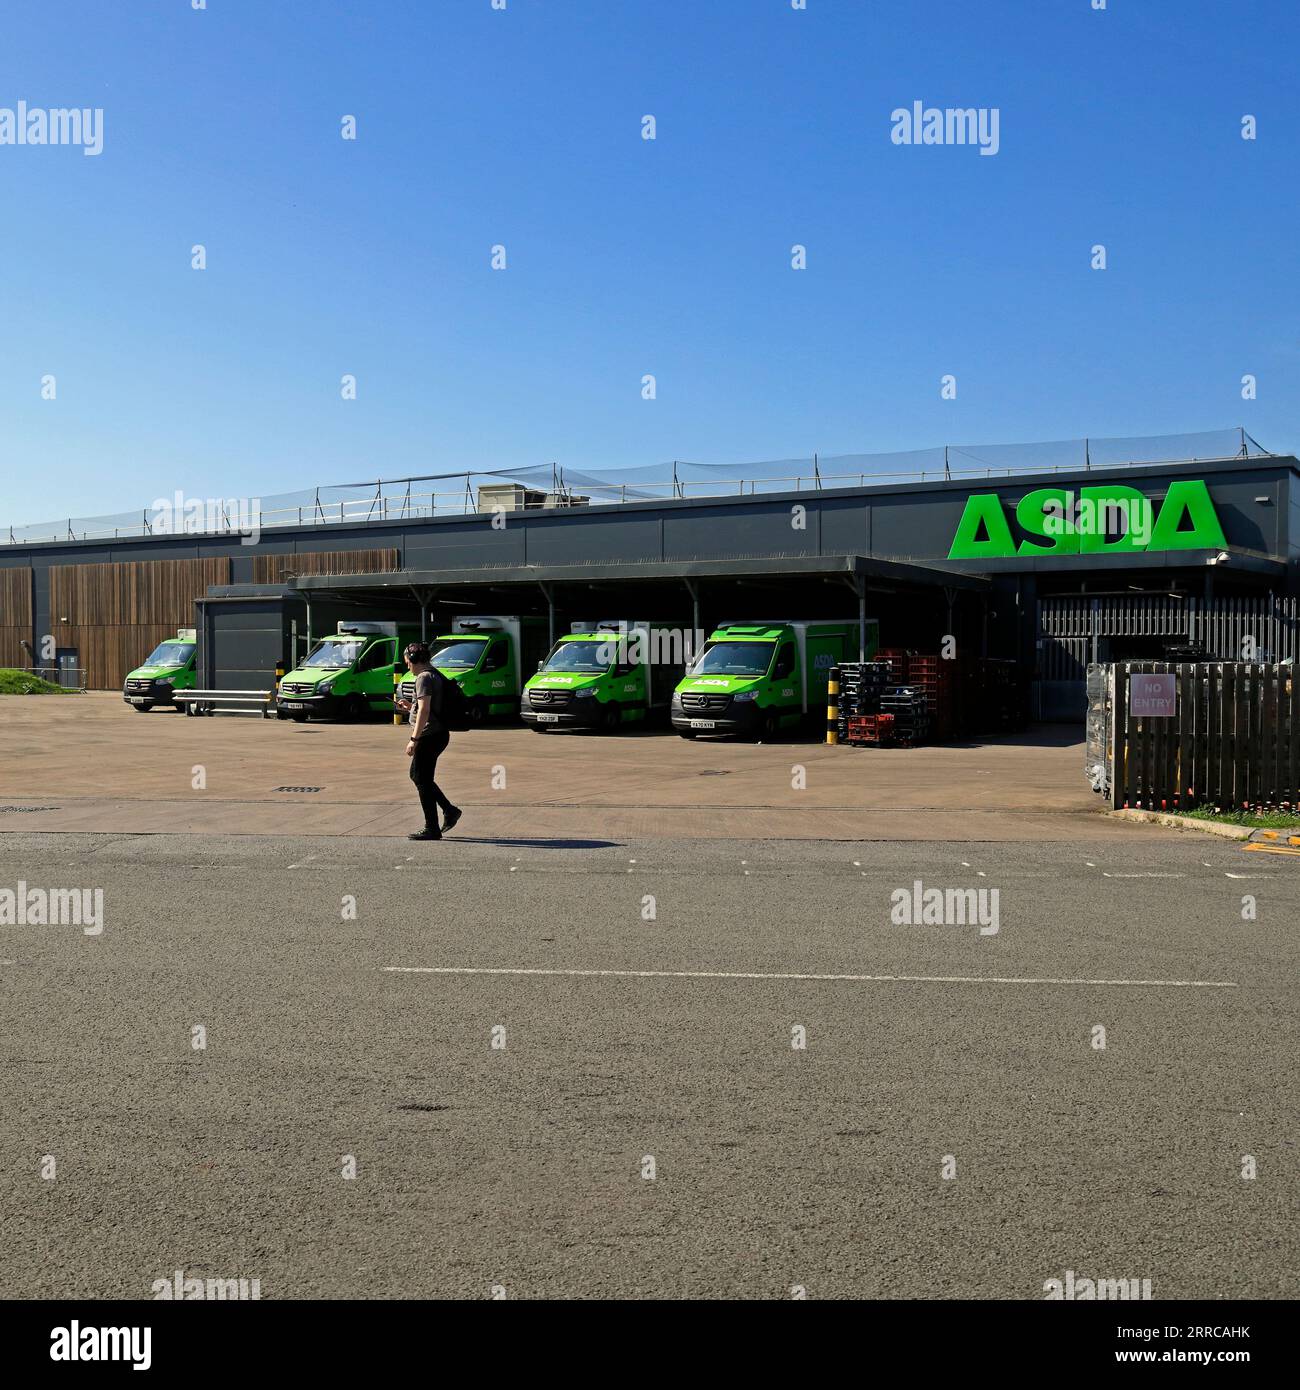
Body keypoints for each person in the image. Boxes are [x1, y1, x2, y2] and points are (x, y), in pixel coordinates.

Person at [396, 642, 462, 841]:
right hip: (437, 733)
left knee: (420, 777)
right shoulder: (433, 674)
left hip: (429, 735)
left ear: (414, 659)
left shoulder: (424, 678)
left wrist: (413, 739)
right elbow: (424, 707)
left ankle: (433, 826)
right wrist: (410, 707)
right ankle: (448, 811)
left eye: (407, 661)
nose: (406, 664)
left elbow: (425, 710)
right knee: (420, 777)